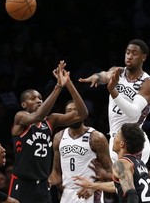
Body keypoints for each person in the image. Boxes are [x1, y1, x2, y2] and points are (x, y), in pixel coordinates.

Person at [8, 60, 89, 203]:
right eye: (33, 98)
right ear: (24, 104)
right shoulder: (20, 117)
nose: (38, 100)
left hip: (43, 184)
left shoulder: (51, 121)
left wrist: (68, 84)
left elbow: (82, 114)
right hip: (22, 183)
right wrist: (58, 86)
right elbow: (37, 116)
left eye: (40, 97)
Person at [79, 39, 150, 164]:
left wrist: (112, 90)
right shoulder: (118, 72)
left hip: (134, 141)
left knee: (130, 181)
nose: (129, 56)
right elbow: (105, 75)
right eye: (127, 52)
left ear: (144, 57)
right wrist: (97, 77)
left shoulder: (149, 82)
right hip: (115, 139)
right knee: (117, 181)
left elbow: (134, 113)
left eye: (134, 53)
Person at [48, 99, 113, 203]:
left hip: (89, 192)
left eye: (76, 110)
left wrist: (96, 185)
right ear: (65, 115)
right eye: (69, 111)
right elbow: (56, 172)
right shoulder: (58, 137)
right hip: (67, 194)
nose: (73, 113)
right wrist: (46, 182)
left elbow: (111, 172)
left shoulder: (96, 137)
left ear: (83, 113)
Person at [73, 122, 150, 203]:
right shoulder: (139, 163)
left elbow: (131, 194)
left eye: (116, 136)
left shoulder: (121, 164)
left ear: (122, 144)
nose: (114, 138)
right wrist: (92, 185)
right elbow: (121, 185)